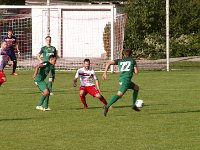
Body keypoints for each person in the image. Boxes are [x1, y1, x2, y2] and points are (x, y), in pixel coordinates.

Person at [102, 49, 140, 116]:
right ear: (131, 55)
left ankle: (134, 105)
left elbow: (108, 63)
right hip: (126, 81)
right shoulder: (132, 60)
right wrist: (133, 69)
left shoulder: (120, 60)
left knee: (136, 88)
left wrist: (105, 73)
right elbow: (136, 72)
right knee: (119, 94)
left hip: (122, 80)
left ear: (124, 55)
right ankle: (107, 106)